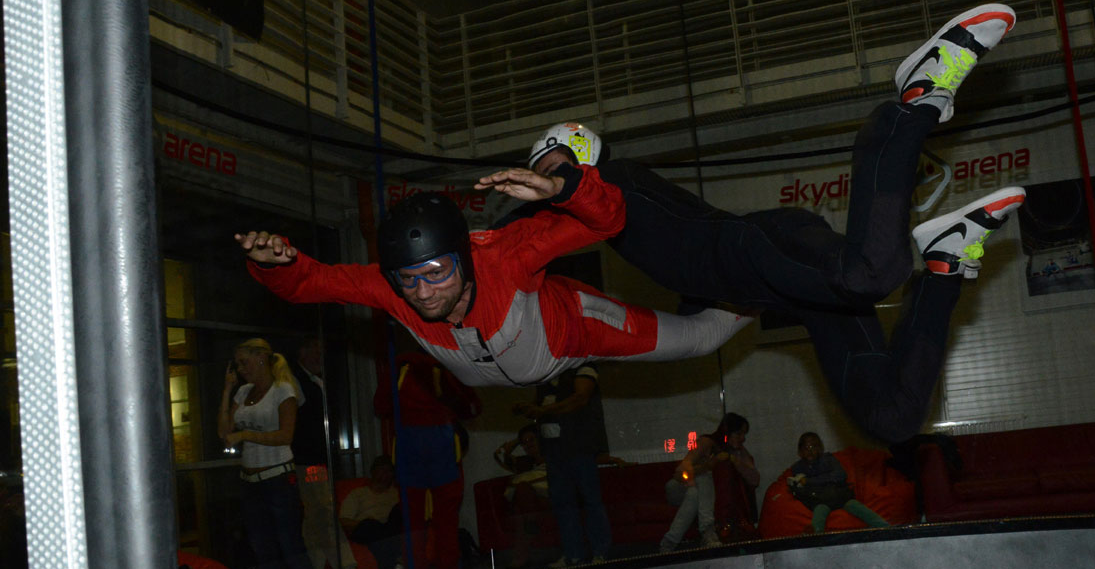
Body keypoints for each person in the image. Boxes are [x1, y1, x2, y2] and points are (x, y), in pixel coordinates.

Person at [520, 3, 1025, 445]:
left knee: (872, 273)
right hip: (786, 287)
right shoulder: (632, 238)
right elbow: (697, 331)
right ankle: (945, 265)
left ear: (581, 157)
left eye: (552, 170)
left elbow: (594, 196)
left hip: (750, 243)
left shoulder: (616, 180)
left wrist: (554, 188)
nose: (546, 185)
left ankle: (915, 100)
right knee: (890, 418)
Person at [234, 163, 753, 392]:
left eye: (436, 272)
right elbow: (311, 284)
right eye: (407, 280)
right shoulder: (390, 288)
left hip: (574, 331)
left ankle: (762, 299)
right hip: (498, 369)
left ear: (464, 256)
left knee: (699, 340)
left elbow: (609, 219)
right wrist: (273, 263)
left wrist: (560, 187)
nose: (423, 292)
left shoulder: (504, 254)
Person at [217, 337, 322, 569]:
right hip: (251, 482)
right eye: (238, 363)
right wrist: (227, 390)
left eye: (244, 362)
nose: (241, 368)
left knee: (291, 548)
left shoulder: (283, 390)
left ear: (261, 358)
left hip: (278, 477)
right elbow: (224, 431)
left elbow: (285, 435)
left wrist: (245, 435)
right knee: (264, 554)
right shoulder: (243, 391)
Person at [375, 351, 482, 569]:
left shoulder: (399, 368)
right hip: (441, 447)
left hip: (408, 449)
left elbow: (380, 406)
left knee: (412, 522)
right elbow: (471, 406)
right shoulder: (444, 364)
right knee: (446, 519)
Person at [291, 336, 371, 569]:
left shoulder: (314, 381)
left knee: (314, 519)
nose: (319, 357)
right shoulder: (296, 382)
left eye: (321, 352)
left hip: (316, 461)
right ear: (301, 353)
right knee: (323, 514)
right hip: (310, 462)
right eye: (314, 351)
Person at [512, 363, 612, 567]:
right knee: (562, 502)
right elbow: (542, 405)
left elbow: (580, 399)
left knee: (589, 500)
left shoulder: (584, 367)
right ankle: (572, 554)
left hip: (579, 446)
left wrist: (542, 410)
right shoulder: (546, 371)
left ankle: (600, 552)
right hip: (553, 449)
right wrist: (530, 409)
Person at [660, 413, 758, 553]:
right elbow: (680, 472)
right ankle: (707, 530)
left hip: (694, 493)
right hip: (678, 488)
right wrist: (708, 466)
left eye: (744, 434)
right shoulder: (707, 442)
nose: (743, 438)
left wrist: (736, 462)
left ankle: (668, 543)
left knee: (695, 494)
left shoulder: (738, 451)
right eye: (738, 434)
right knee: (704, 478)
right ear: (727, 432)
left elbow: (754, 479)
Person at [788, 432, 890, 532]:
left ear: (820, 449)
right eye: (806, 447)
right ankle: (814, 537)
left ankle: (887, 529)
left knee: (858, 508)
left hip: (840, 496)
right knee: (819, 513)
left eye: (814, 447)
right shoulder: (797, 468)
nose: (810, 451)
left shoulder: (828, 459)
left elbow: (840, 475)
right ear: (800, 451)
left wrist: (809, 481)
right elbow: (797, 489)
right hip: (819, 500)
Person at [493, 424, 548, 569]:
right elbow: (498, 454)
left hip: (547, 498)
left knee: (521, 492)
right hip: (528, 503)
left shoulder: (552, 456)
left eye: (532, 440)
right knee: (520, 506)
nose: (528, 444)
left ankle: (520, 558)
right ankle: (529, 528)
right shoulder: (524, 463)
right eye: (525, 442)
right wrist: (518, 440)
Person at [340, 455, 404, 569]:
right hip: (366, 528)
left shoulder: (396, 493)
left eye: (389, 471)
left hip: (390, 528)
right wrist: (365, 522)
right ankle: (391, 565)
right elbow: (343, 520)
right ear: (373, 471)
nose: (386, 474)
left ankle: (394, 564)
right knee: (371, 525)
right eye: (382, 469)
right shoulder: (358, 494)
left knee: (397, 512)